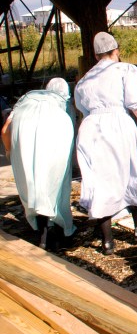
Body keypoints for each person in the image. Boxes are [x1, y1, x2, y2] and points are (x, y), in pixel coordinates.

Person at [75, 32, 137, 255]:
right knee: (134, 172)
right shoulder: (125, 70)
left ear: (95, 54)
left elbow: (82, 108)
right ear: (116, 50)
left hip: (91, 128)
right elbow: (133, 101)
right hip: (118, 123)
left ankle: (107, 241)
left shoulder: (84, 80)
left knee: (100, 179)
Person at [1, 78, 76, 250]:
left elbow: (5, 129)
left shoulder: (26, 102)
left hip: (24, 125)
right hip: (55, 128)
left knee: (33, 184)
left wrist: (9, 152)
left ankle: (42, 236)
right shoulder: (62, 104)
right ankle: (63, 231)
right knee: (57, 182)